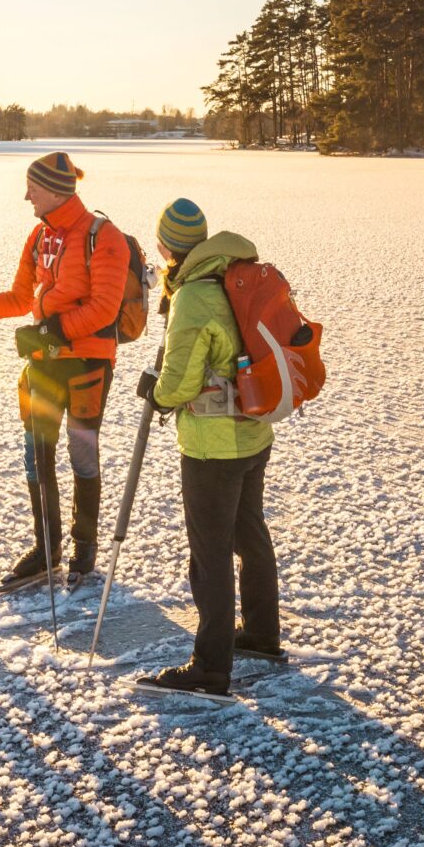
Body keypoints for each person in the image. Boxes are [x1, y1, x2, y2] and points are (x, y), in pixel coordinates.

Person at [0, 151, 130, 590]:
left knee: (81, 457)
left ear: (57, 191)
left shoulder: (104, 236)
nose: (26, 196)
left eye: (33, 189)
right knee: (35, 456)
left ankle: (83, 549)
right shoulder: (40, 236)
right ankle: (46, 549)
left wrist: (53, 332)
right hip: (43, 364)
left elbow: (104, 308)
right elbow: (23, 297)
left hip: (86, 365)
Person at [136, 198, 282, 696]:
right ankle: (262, 634)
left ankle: (211, 666)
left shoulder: (196, 296)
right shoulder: (235, 276)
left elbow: (177, 383)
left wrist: (153, 392)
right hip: (253, 434)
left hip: (212, 448)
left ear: (169, 247)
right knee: (250, 537)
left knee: (211, 554)